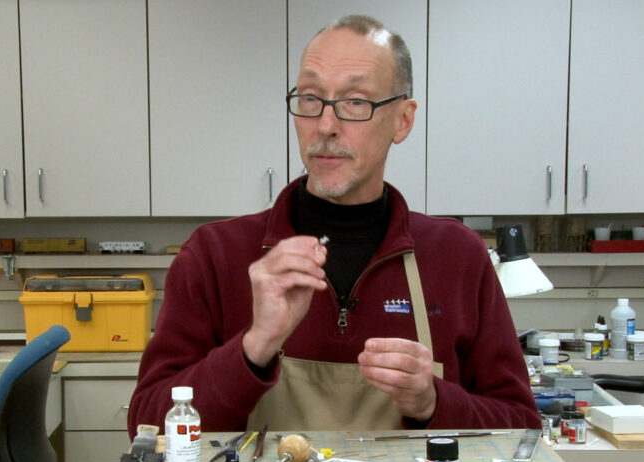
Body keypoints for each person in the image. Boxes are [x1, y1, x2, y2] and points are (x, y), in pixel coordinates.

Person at [129, 15, 540, 435]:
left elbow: (522, 427)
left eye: (355, 102)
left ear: (403, 119)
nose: (325, 126)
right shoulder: (214, 255)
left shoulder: (457, 256)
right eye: (310, 98)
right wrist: (253, 348)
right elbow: (147, 425)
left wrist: (434, 401)